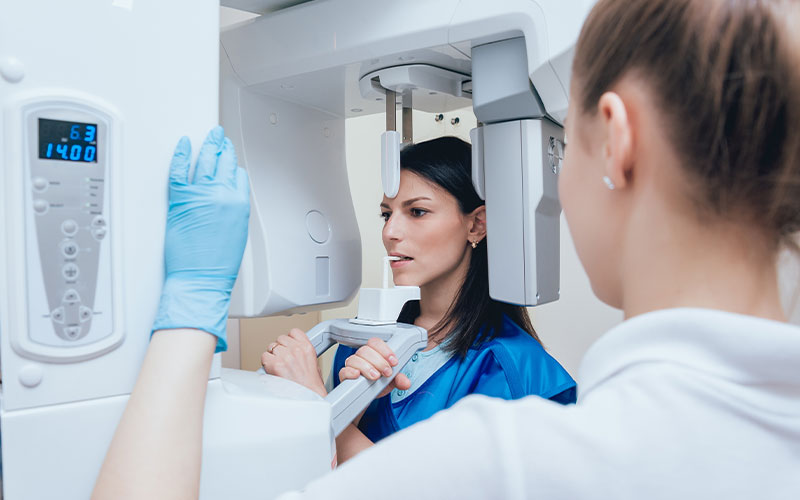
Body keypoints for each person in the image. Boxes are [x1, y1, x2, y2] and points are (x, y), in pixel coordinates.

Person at [93, 0, 800, 498]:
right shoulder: (376, 351)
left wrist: (189, 313)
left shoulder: (514, 452)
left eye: (563, 145)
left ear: (616, 138)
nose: (393, 231)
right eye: (386, 212)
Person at [259, 137, 576, 463]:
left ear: (476, 224)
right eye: (386, 214)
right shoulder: (362, 343)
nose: (390, 232)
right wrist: (348, 408)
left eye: (417, 211)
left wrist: (317, 405)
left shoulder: (510, 367)